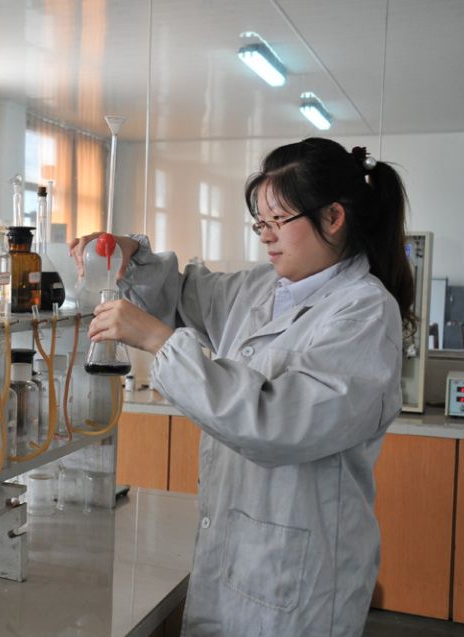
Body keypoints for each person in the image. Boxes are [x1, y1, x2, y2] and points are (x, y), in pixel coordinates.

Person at [71, 137, 414, 636]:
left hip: (297, 577)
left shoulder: (364, 312)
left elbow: (276, 424)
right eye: (260, 223)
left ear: (334, 217)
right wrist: (131, 256)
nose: (266, 237)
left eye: (278, 221)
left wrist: (159, 342)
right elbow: (180, 294)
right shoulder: (259, 288)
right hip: (235, 555)